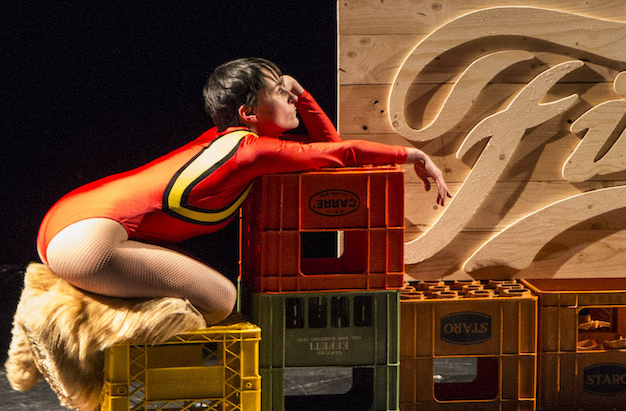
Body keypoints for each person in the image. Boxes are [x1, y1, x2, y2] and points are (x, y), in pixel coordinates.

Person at [36, 58, 450, 325]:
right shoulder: (250, 152)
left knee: (207, 294)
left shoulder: (229, 142)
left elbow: (327, 150)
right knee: (221, 299)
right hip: (86, 239)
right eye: (280, 93)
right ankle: (96, 339)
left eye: (289, 93)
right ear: (248, 112)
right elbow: (340, 153)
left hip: (69, 224)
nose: (290, 97)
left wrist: (301, 93)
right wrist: (411, 153)